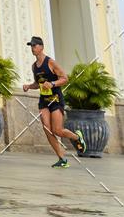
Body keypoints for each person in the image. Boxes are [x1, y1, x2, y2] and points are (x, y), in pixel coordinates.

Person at [22, 35, 86, 167]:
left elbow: (65, 78)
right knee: (47, 129)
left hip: (56, 99)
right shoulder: (34, 67)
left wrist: (52, 84)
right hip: (44, 101)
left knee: (57, 130)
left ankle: (77, 137)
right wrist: (29, 86)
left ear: (41, 47)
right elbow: (38, 83)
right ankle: (62, 159)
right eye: (31, 46)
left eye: (34, 45)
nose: (32, 48)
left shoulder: (50, 62)